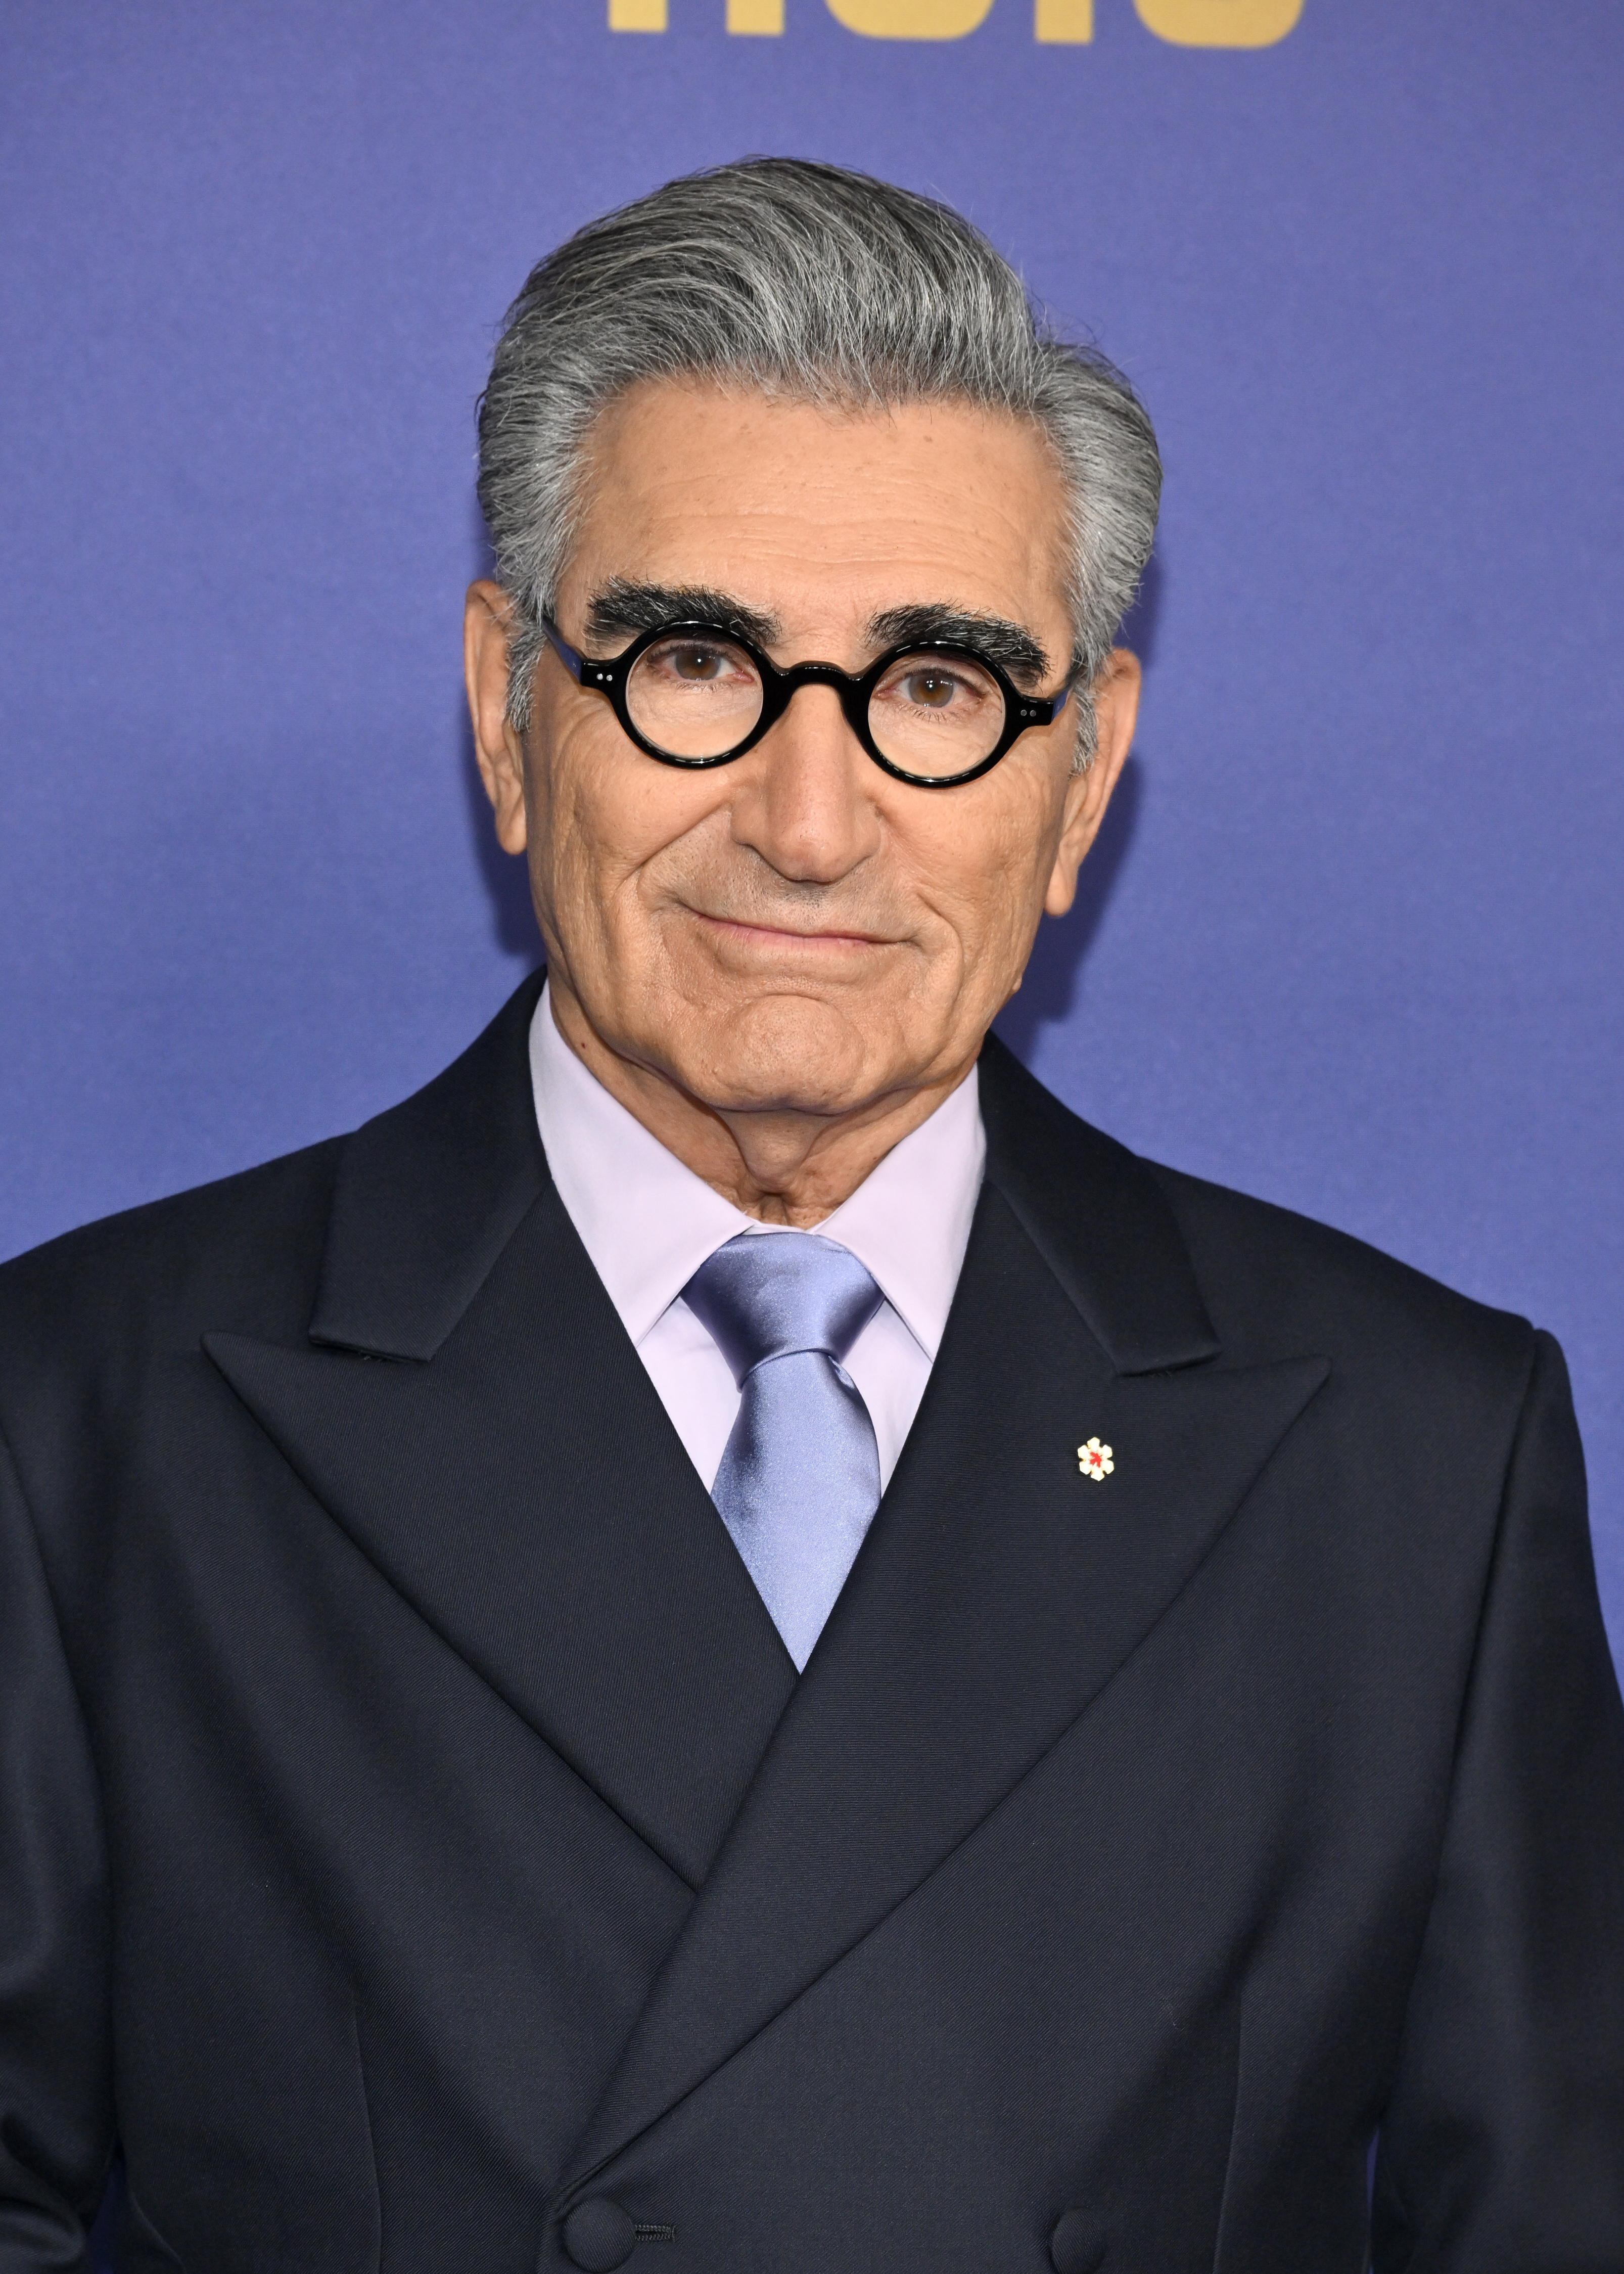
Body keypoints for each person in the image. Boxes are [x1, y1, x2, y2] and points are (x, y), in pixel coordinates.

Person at [1, 158, 1619, 2274]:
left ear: (1084, 778)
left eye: (940, 686)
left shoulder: (1419, 1459)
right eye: (693, 659)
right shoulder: (81, 1426)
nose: (812, 815)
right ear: (511, 714)